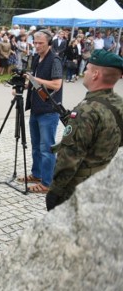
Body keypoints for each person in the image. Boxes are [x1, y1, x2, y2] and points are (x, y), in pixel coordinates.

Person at [46, 49, 123, 210]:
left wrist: (55, 192)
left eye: (87, 69)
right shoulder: (118, 104)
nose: (85, 72)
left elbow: (69, 158)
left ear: (95, 74)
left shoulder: (86, 111)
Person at [19, 30, 64, 193]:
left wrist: (33, 79)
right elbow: (35, 82)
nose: (37, 46)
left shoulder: (55, 60)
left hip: (49, 110)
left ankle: (47, 183)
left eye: (40, 43)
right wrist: (23, 86)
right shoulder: (37, 58)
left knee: (47, 148)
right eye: (35, 43)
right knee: (36, 146)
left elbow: (56, 85)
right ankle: (37, 174)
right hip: (36, 108)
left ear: (49, 44)